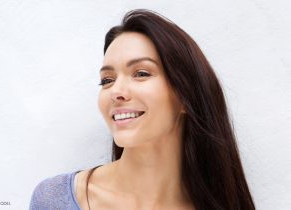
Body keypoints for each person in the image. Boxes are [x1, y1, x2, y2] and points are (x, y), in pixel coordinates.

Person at [29, 9, 256, 210]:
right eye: (107, 80)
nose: (116, 91)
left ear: (186, 97)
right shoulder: (54, 200)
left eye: (141, 73)